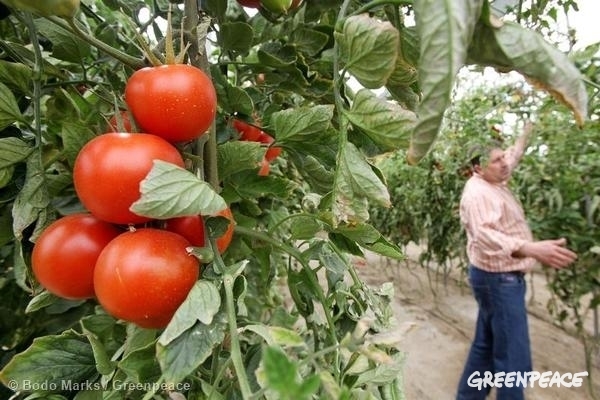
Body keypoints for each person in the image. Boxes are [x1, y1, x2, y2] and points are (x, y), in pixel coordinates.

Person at [455, 122, 578, 400]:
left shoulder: (492, 177)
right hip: (499, 282)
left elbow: (512, 156)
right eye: (496, 160)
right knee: (513, 358)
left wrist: (526, 132)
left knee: (486, 347)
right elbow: (485, 235)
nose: (504, 164)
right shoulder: (478, 194)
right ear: (477, 167)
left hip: (493, 280)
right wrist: (530, 248)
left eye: (501, 157)